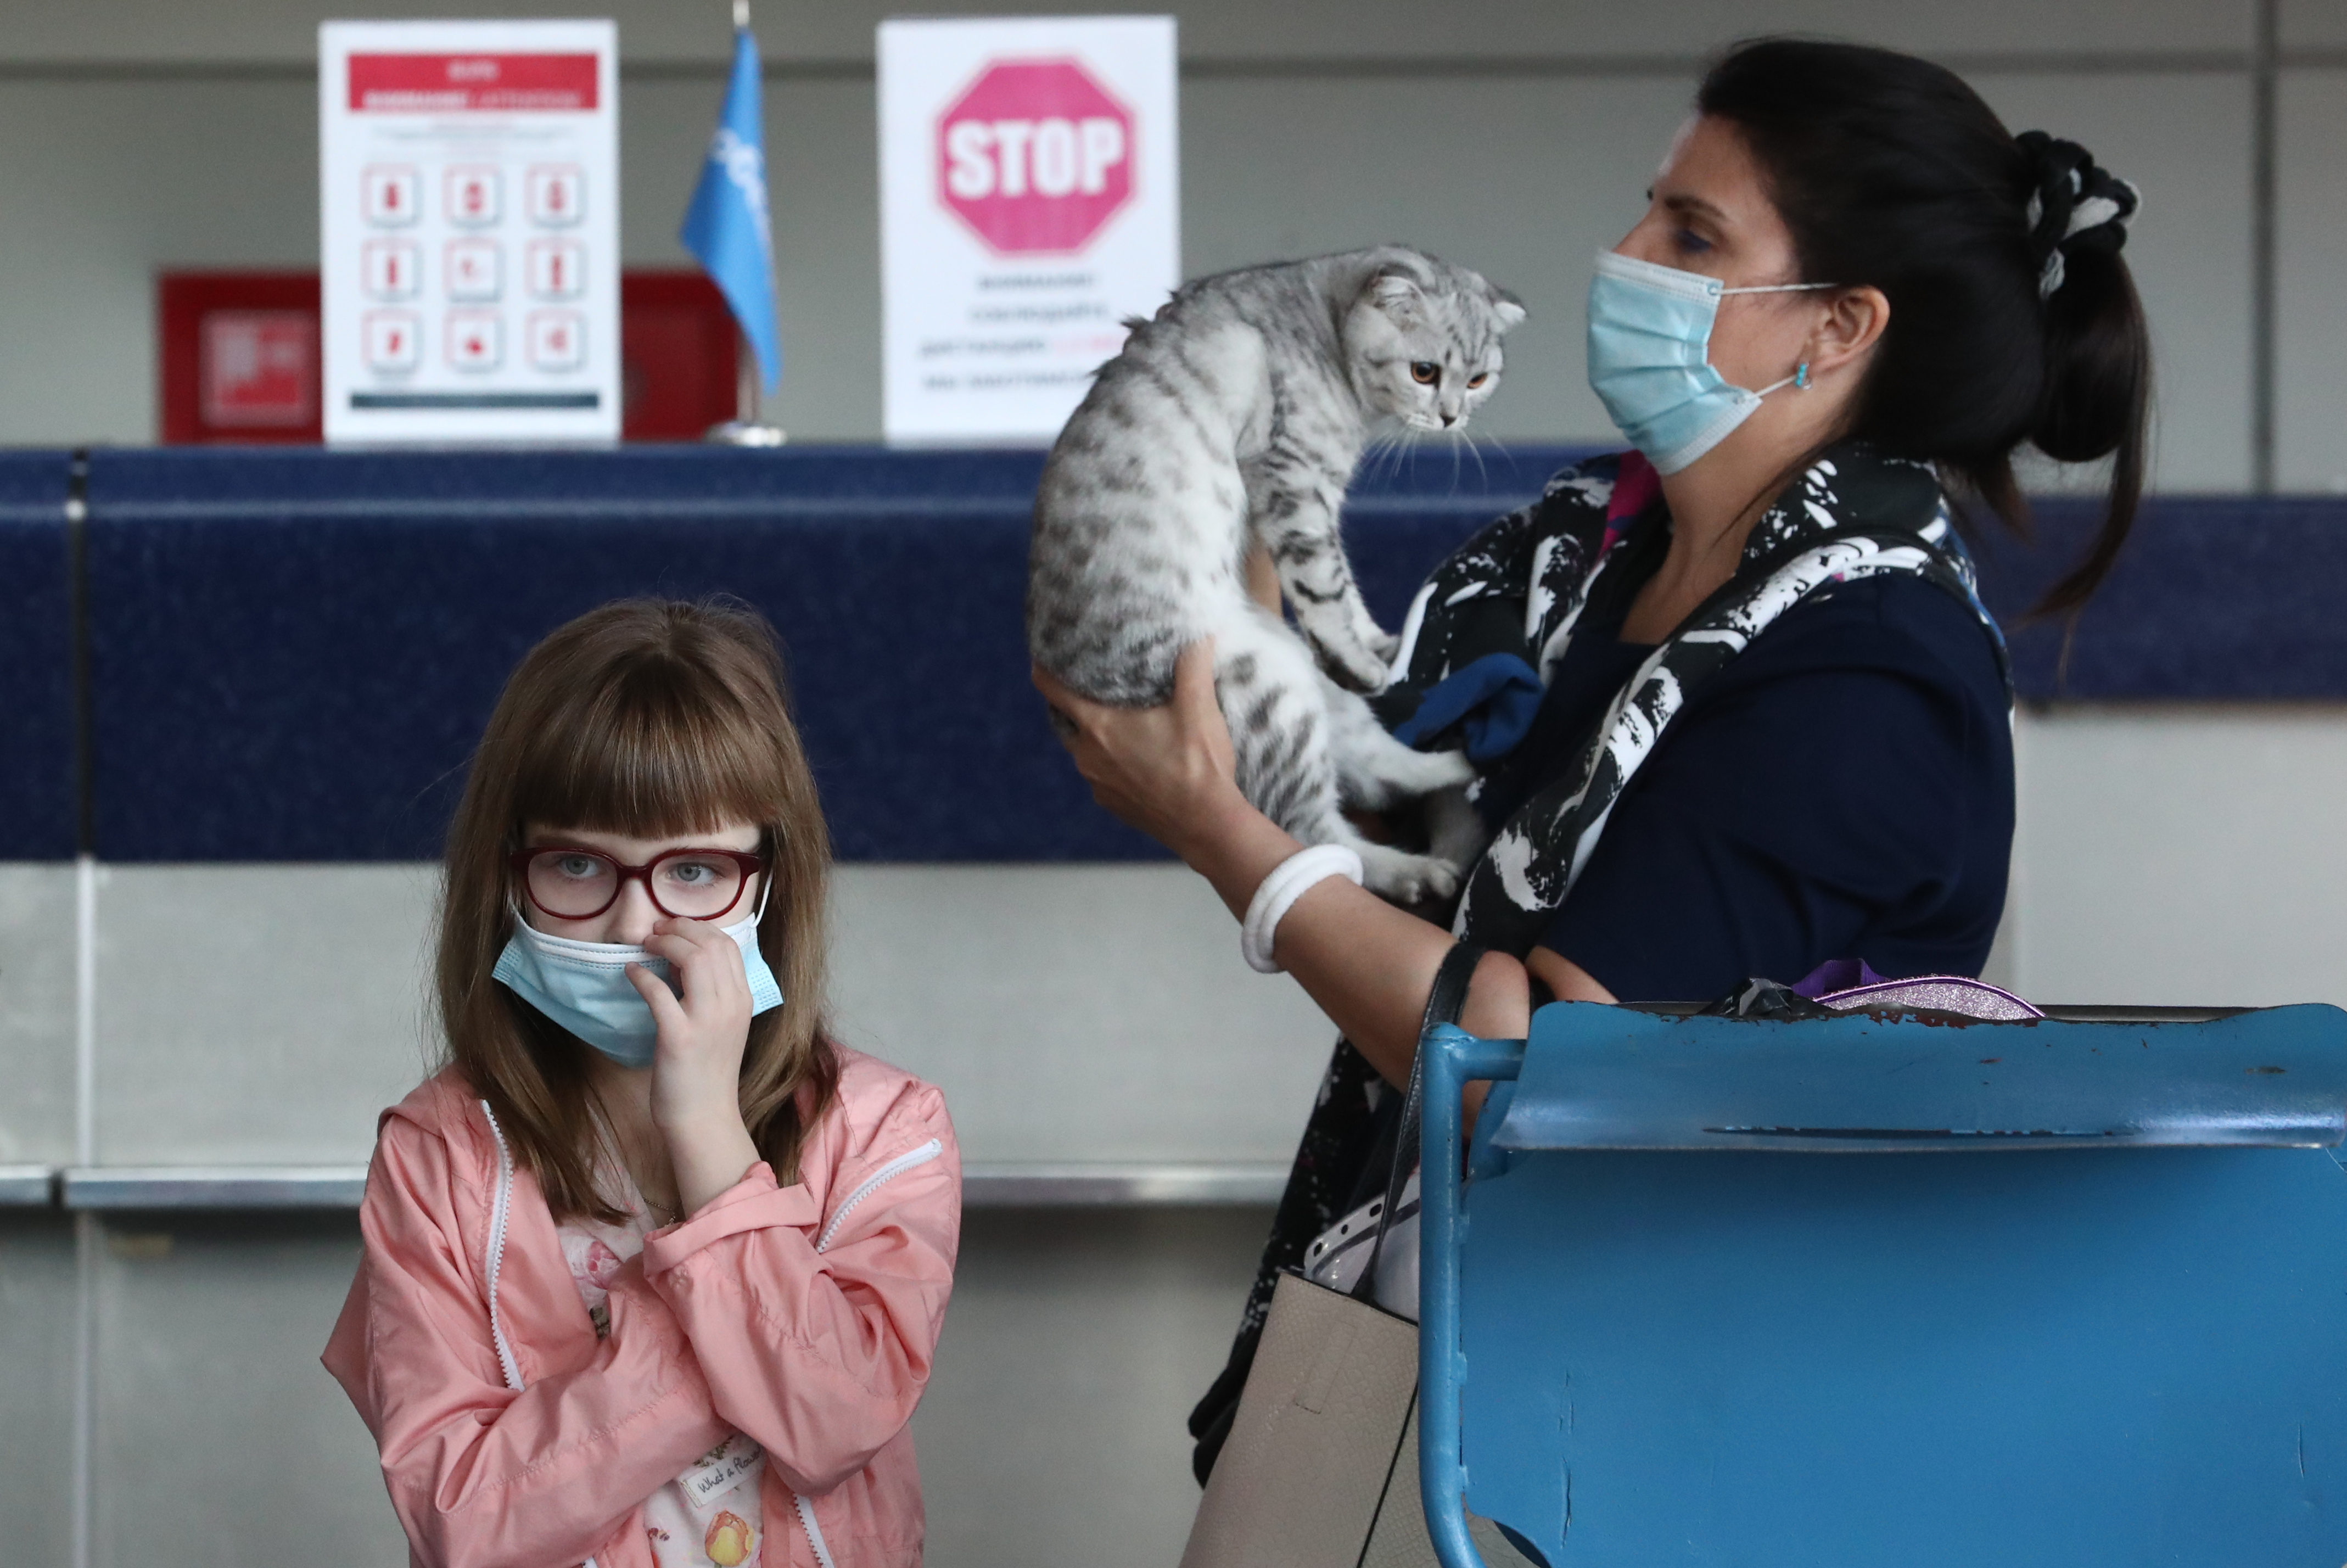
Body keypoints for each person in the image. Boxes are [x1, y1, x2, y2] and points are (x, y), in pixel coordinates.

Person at [1032, 37, 2150, 1480]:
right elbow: (1433, 885)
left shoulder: (1867, 666)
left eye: (1690, 233)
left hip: (1675, 1414)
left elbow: (1532, 1080)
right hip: (1438, 1314)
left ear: (1837, 324)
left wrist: (1229, 845)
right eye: (1646, 213)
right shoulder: (1577, 557)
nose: (1620, 256)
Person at [324, 600, 960, 1568]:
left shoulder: (882, 1132)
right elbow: (463, 1518)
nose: (633, 928)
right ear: (506, 874)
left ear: (768, 880)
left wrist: (708, 1133)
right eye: (578, 865)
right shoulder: (440, 1155)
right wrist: (717, 1338)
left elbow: (836, 1425)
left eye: (695, 872)